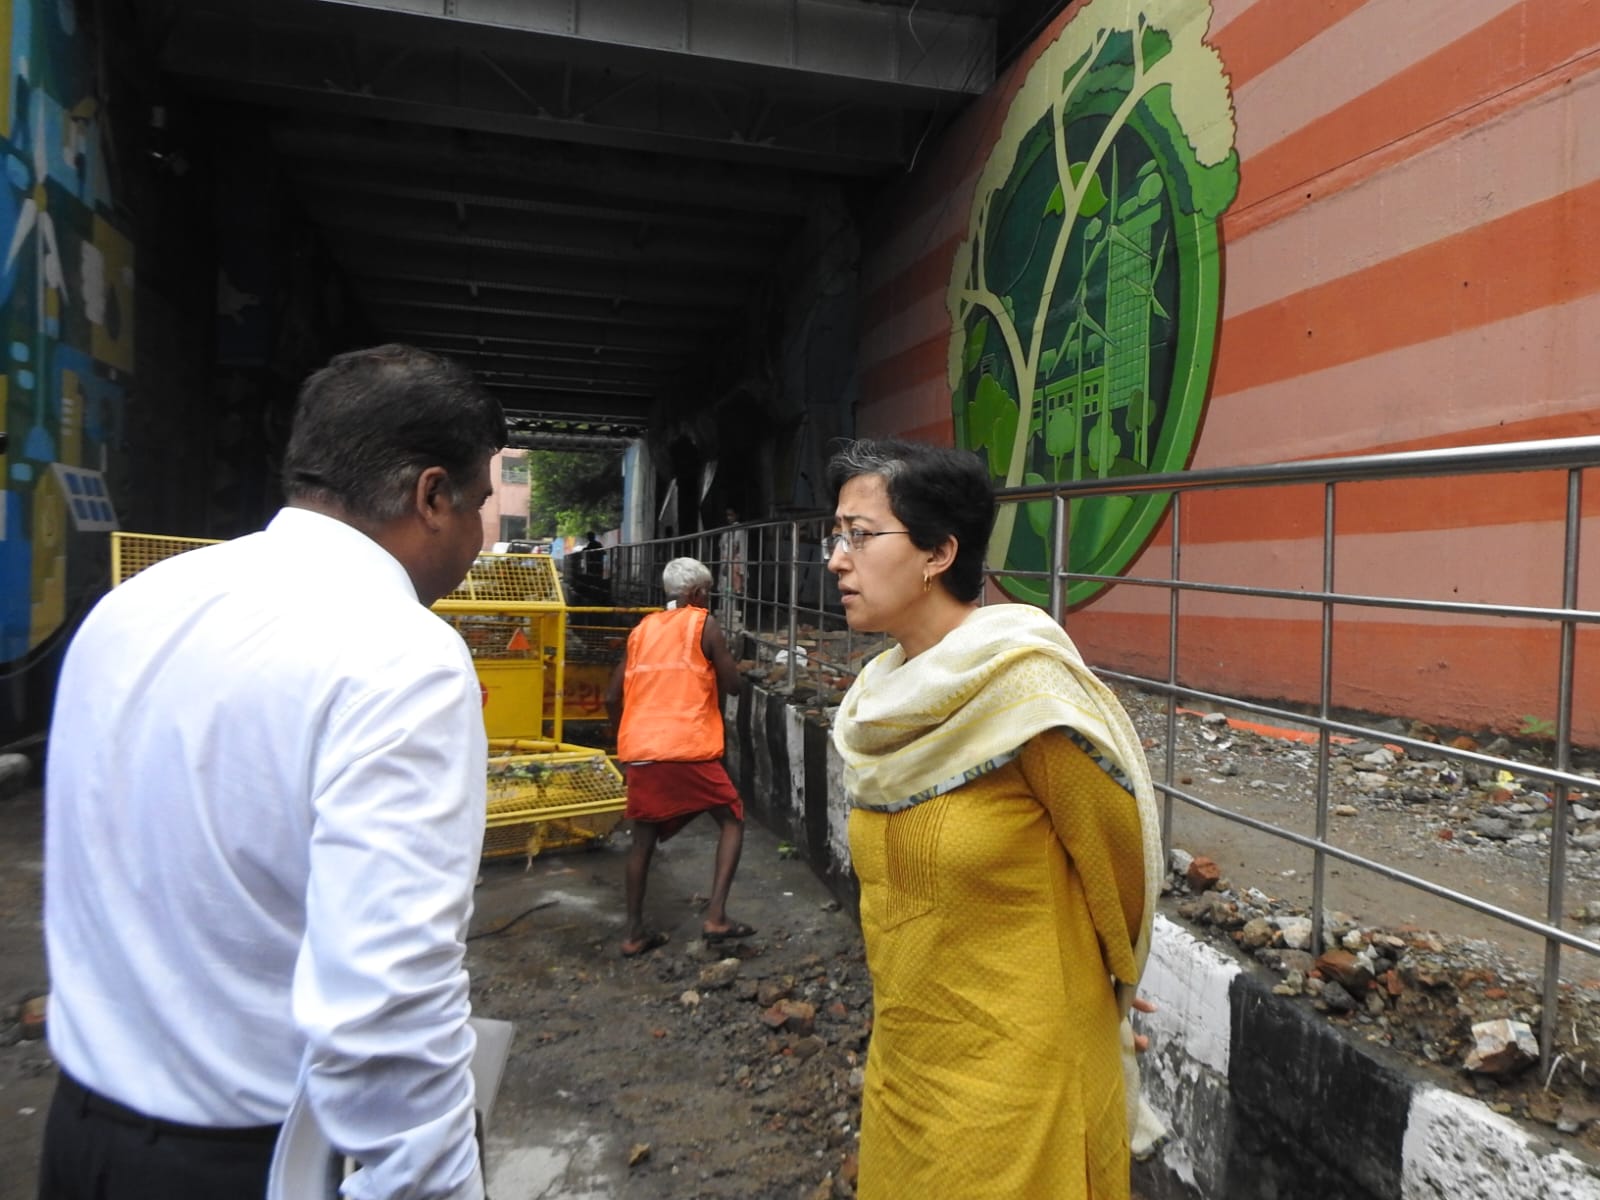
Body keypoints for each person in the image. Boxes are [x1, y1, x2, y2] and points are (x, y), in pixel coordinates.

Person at [39, 344, 505, 1200]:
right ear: (431, 497)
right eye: (479, 504)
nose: (479, 536)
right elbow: (389, 1000)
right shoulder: (401, 654)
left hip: (81, 1137)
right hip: (241, 1162)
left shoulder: (133, 606)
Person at [823, 438, 1165, 1199]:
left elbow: (1124, 866)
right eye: (835, 535)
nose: (836, 559)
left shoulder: (1029, 698)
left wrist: (1106, 980)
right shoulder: (881, 706)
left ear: (939, 552)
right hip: (909, 1061)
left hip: (1023, 1079)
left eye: (860, 535)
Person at [604, 557, 750, 957]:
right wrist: (730, 663)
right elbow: (733, 685)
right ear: (696, 594)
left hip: (642, 750)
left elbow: (611, 697)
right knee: (732, 818)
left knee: (643, 840)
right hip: (688, 745)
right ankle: (716, 915)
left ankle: (634, 932)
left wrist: (625, 741)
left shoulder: (641, 631)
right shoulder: (704, 624)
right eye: (707, 593)